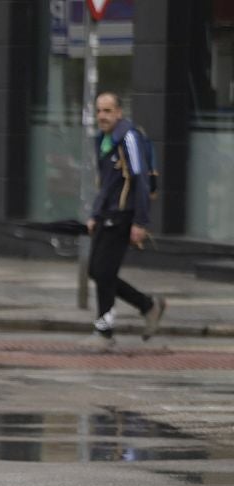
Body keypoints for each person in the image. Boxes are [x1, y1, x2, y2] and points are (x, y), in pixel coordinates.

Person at [86, 92, 164, 342]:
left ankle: (104, 332)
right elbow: (106, 183)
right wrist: (95, 214)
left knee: (103, 271)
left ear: (119, 112)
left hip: (123, 215)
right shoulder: (104, 140)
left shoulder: (128, 137)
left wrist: (140, 221)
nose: (102, 116)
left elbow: (139, 179)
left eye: (108, 111)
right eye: (99, 111)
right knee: (96, 271)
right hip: (107, 213)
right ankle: (147, 305)